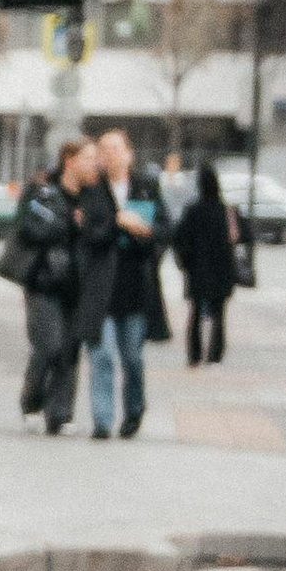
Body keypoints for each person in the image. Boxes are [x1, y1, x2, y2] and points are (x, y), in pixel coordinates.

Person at [77, 124, 171, 437]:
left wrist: (145, 232)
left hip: (135, 285)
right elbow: (89, 234)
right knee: (102, 355)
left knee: (132, 357)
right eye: (103, 150)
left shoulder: (146, 187)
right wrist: (119, 224)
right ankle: (102, 421)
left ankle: (133, 411)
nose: (109, 155)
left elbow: (165, 230)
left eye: (115, 149)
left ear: (129, 154)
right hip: (101, 287)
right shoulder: (92, 190)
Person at [2, 137, 92, 435]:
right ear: (70, 159)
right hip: (44, 280)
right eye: (88, 158)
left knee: (69, 350)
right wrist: (70, 222)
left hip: (77, 283)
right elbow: (28, 227)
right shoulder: (42, 190)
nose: (94, 164)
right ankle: (32, 403)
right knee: (48, 346)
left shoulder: (92, 197)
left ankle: (61, 414)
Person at [173, 158, 239, 364]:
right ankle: (215, 353)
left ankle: (194, 354)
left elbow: (179, 238)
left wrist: (185, 261)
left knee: (195, 312)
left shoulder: (193, 210)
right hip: (221, 269)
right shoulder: (225, 210)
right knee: (219, 314)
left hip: (198, 269)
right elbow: (240, 236)